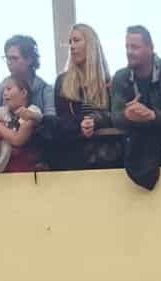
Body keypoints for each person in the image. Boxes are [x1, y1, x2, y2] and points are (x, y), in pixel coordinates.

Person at [111, 25, 161, 172]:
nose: (129, 52)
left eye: (135, 47)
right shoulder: (120, 77)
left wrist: (152, 115)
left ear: (150, 48)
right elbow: (115, 117)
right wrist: (127, 114)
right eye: (127, 47)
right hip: (132, 159)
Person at [49, 23, 121, 172]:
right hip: (73, 156)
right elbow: (61, 120)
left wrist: (96, 121)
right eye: (70, 42)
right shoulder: (62, 81)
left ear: (90, 44)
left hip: (107, 157)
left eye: (76, 41)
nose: (72, 46)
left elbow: (117, 116)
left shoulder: (110, 81)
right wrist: (81, 123)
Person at [0, 35, 55, 119]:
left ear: (29, 60)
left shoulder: (45, 90)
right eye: (7, 58)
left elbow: (51, 121)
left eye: (14, 58)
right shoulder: (3, 86)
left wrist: (35, 117)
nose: (9, 63)